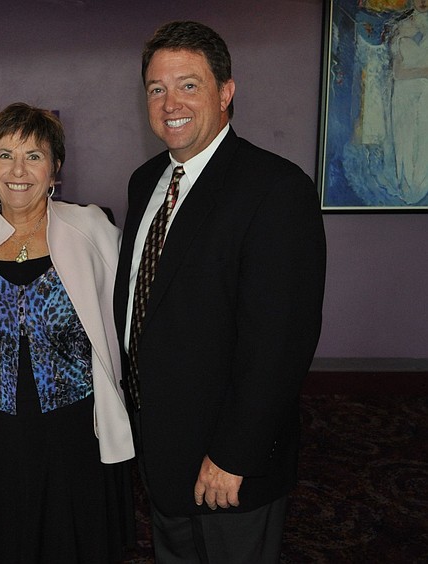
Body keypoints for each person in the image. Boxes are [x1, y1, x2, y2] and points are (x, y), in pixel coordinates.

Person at [113, 21, 327, 563]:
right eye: (157, 89)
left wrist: (234, 454)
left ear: (226, 91)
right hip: (161, 454)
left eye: (188, 85)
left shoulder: (276, 190)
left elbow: (280, 342)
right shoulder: (146, 182)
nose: (170, 103)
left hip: (227, 465)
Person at [0, 102, 135, 563]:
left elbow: (132, 307)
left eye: (34, 156)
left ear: (55, 168)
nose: (18, 170)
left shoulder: (91, 229)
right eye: (5, 154)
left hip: (73, 432)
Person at [391, 0, 428, 203]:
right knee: (404, 138)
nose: (422, 2)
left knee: (424, 139)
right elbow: (397, 73)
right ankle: (406, 186)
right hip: (403, 93)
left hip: (427, 93)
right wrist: (423, 72)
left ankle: (421, 187)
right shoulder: (400, 26)